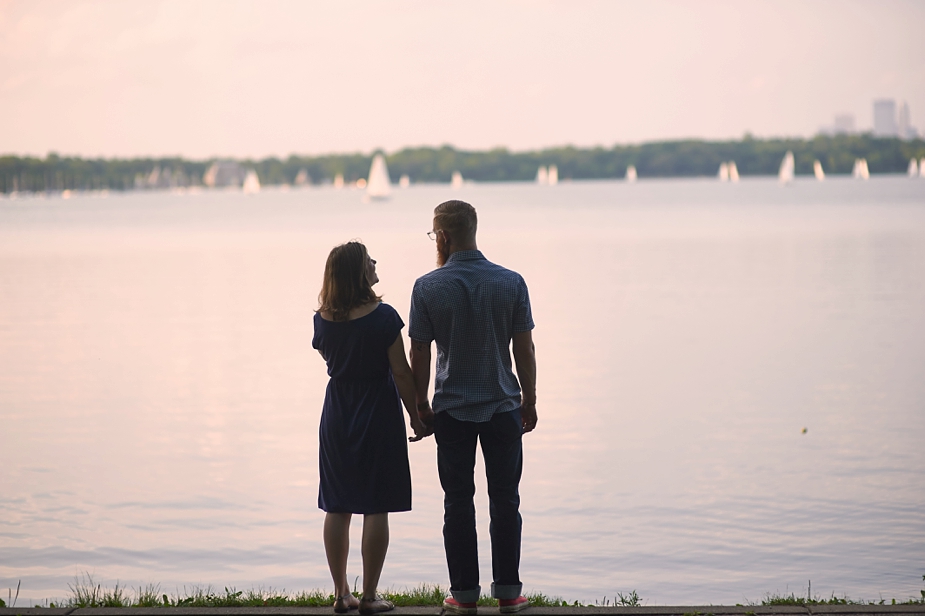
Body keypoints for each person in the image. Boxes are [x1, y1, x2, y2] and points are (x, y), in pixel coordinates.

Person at [409, 200, 538, 615]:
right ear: (474, 229)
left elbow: (420, 355)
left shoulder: (426, 287)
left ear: (442, 236)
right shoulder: (511, 281)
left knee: (457, 502)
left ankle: (464, 595)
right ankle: (509, 594)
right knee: (506, 500)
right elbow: (524, 347)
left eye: (435, 236)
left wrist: (419, 406)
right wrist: (530, 400)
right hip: (502, 406)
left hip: (451, 411)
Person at [312, 241, 430, 616]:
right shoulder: (384, 317)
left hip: (337, 412)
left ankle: (340, 594)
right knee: (376, 504)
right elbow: (400, 371)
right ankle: (370, 596)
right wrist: (416, 414)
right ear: (358, 272)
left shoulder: (322, 320)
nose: (376, 262)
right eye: (368, 260)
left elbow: (332, 354)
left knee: (338, 504)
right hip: (377, 408)